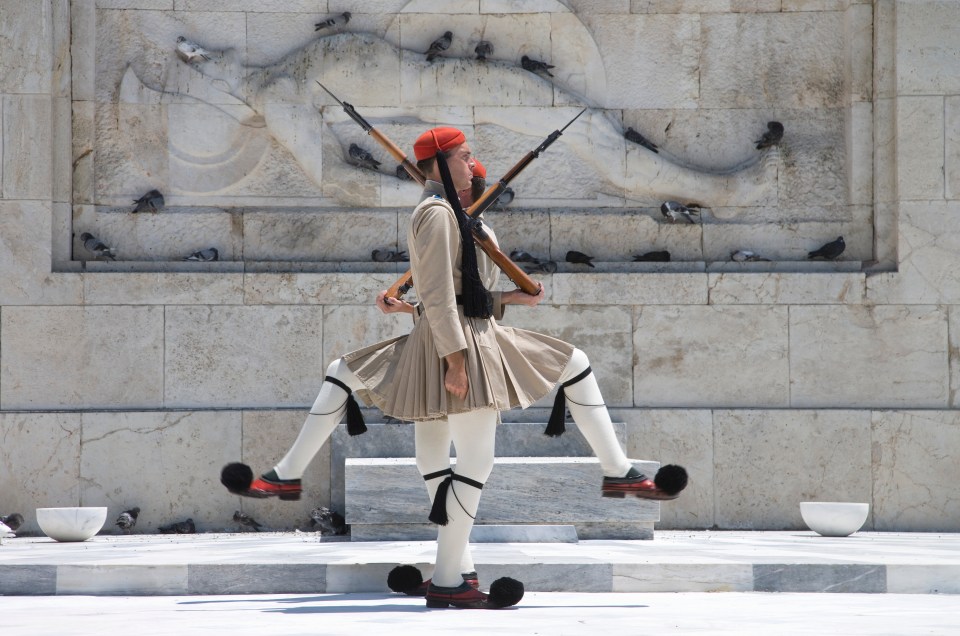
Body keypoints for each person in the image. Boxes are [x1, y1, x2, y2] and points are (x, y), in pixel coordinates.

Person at [222, 127, 685, 609]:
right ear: (443, 164)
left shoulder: (450, 217)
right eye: (465, 157)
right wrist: (458, 362)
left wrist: (503, 300)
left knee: (452, 431)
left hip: (462, 334)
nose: (473, 165)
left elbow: (462, 295)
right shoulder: (438, 215)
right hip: (462, 344)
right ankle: (448, 577)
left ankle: (453, 564)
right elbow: (441, 297)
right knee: (471, 457)